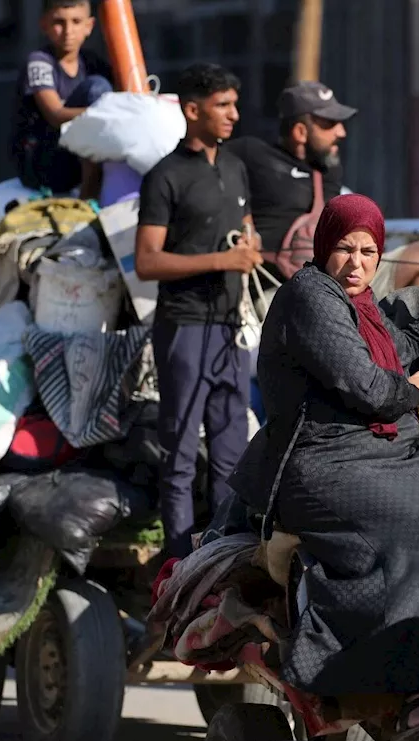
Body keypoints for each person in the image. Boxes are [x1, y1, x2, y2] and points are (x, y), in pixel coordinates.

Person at [227, 193, 419, 741]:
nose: (357, 261)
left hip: (381, 457)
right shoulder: (309, 295)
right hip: (324, 468)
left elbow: (398, 345)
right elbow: (365, 384)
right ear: (323, 248)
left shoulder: (355, 304)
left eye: (367, 251)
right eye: (344, 248)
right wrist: (412, 394)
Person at [135, 63, 263, 559]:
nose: (234, 114)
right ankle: (176, 562)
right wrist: (222, 259)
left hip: (231, 327)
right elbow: (147, 261)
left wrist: (250, 246)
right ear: (192, 110)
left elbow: (245, 225)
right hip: (185, 327)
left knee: (233, 451)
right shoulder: (165, 176)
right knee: (181, 452)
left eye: (234, 103)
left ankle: (224, 556)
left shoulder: (234, 166)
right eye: (222, 106)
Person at [226, 80, 419, 297]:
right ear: (300, 132)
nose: (341, 133)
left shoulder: (328, 171)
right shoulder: (251, 154)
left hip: (339, 280)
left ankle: (395, 337)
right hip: (280, 291)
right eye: (329, 124)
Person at [10, 0, 114, 197]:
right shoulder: (39, 62)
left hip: (75, 158)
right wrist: (108, 113)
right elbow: (55, 114)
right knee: (97, 87)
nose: (68, 31)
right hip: (44, 163)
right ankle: (89, 196)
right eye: (59, 22)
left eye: (76, 21)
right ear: (44, 25)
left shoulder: (92, 62)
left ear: (89, 26)